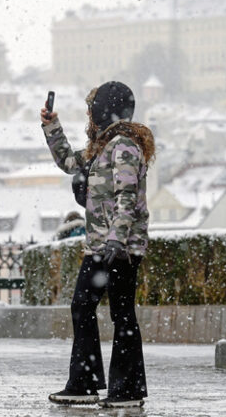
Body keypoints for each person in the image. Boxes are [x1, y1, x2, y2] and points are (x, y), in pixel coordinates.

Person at [41, 81, 154, 409]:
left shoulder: (124, 146)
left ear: (106, 108)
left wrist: (117, 239)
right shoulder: (101, 147)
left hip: (119, 246)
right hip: (101, 245)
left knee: (120, 313)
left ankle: (126, 390)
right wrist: (51, 125)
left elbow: (127, 197)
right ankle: (86, 384)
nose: (89, 115)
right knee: (85, 306)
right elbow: (67, 162)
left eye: (92, 108)